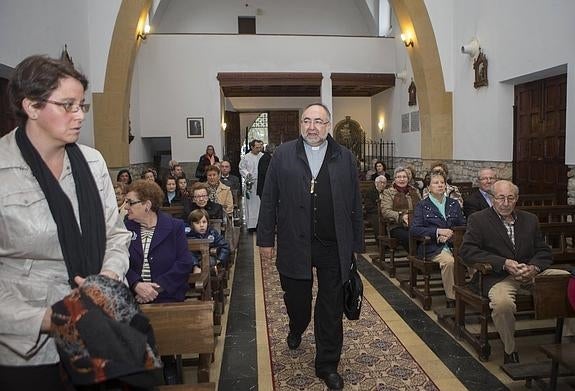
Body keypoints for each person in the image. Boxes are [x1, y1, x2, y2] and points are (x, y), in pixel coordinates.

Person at [0, 55, 131, 390]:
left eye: (82, 105)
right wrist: (51, 318)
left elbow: (116, 235)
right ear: (31, 106)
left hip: (97, 331)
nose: (80, 116)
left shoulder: (92, 162)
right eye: (68, 105)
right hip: (28, 344)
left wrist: (107, 281)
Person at [257, 103, 364, 391]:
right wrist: (265, 239)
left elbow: (355, 203)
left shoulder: (345, 158)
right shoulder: (283, 155)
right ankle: (296, 326)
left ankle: (327, 364)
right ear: (300, 124)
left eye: (318, 121)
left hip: (333, 245)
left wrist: (355, 243)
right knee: (298, 301)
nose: (312, 126)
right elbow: (269, 199)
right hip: (294, 243)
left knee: (330, 308)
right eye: (307, 121)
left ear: (329, 125)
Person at [459, 180, 571, 364]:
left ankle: (568, 340)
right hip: (499, 277)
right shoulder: (478, 219)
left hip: (530, 273)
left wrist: (534, 268)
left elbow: (543, 251)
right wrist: (503, 263)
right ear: (493, 199)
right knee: (502, 304)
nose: (505, 203)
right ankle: (510, 349)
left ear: (516, 199)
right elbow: (468, 252)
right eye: (501, 198)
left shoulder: (529, 219)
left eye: (510, 198)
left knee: (568, 281)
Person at [124, 179, 200, 304]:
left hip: (168, 296)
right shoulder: (125, 228)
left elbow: (184, 262)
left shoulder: (174, 227)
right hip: (132, 297)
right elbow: (120, 261)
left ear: (147, 205)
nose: (126, 206)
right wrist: (136, 284)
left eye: (130, 202)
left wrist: (157, 288)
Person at [410, 171, 466, 306]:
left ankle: (470, 293)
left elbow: (463, 225)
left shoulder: (454, 204)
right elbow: (414, 229)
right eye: (436, 183)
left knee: (471, 257)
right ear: (429, 187)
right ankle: (452, 298)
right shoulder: (422, 205)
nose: (440, 185)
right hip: (432, 247)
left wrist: (450, 234)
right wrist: (438, 232)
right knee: (449, 262)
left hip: (454, 244)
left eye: (442, 182)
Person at [380, 167, 422, 251]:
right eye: (399, 177)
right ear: (395, 179)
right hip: (396, 226)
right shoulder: (388, 192)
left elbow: (422, 207)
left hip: (415, 223)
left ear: (408, 179)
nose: (402, 179)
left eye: (404, 177)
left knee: (427, 234)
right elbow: (386, 211)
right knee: (409, 236)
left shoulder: (415, 191)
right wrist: (401, 216)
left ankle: (426, 255)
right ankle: (416, 257)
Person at [239, 139, 263, 232]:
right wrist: (247, 174)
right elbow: (242, 168)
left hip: (260, 183)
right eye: (256, 148)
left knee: (260, 204)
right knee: (251, 204)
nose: (258, 149)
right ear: (251, 147)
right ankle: (251, 225)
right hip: (251, 183)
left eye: (259, 147)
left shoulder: (263, 156)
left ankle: (260, 223)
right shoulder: (246, 157)